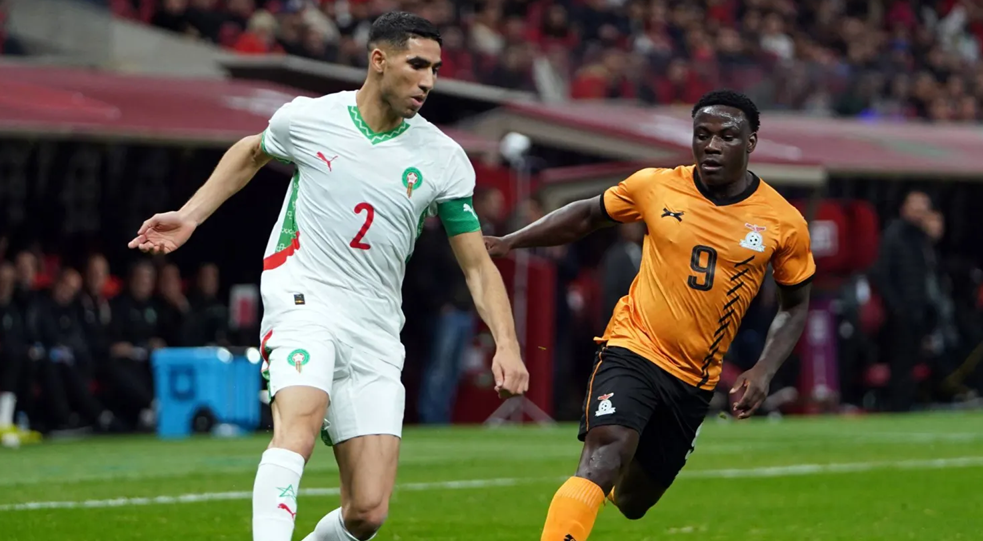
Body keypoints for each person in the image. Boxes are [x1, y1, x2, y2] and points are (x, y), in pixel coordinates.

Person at [127, 12, 528, 541]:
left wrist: (507, 344)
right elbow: (252, 151)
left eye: (435, 69)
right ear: (379, 60)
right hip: (303, 296)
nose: (428, 81)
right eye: (417, 65)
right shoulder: (309, 119)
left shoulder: (444, 159)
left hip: (376, 326)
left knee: (367, 512)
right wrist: (190, 215)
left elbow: (476, 264)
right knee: (298, 426)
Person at [486, 90, 816, 541]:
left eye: (726, 136)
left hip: (694, 378)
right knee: (604, 455)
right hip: (632, 347)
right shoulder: (654, 185)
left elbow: (795, 305)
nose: (711, 146)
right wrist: (510, 241)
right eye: (702, 135)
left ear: (751, 142)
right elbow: (587, 215)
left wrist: (763, 369)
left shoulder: (782, 221)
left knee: (632, 501)